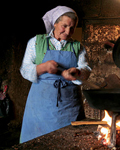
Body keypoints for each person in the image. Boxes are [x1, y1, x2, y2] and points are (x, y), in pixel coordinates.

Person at [19, 6, 91, 143]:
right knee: (38, 142)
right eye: (64, 26)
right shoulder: (36, 42)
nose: (68, 31)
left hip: (69, 104)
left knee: (69, 142)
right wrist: (42, 67)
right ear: (55, 23)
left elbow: (85, 68)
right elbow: (25, 69)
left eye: (72, 28)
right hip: (40, 104)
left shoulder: (78, 47)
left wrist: (77, 72)